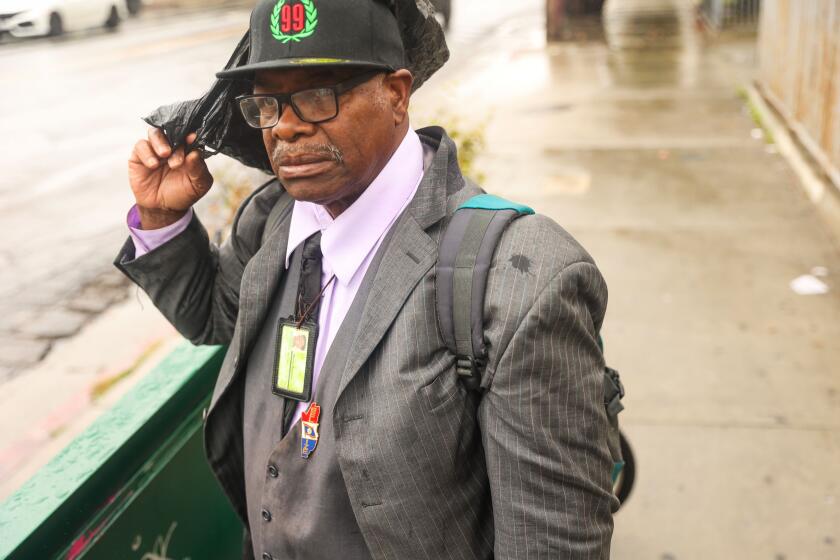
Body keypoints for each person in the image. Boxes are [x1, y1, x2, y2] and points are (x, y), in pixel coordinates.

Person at [115, 0, 618, 558]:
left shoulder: (518, 279)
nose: (285, 125)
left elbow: (551, 544)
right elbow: (216, 319)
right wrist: (163, 219)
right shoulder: (273, 220)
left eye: (316, 95)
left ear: (397, 95)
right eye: (267, 103)